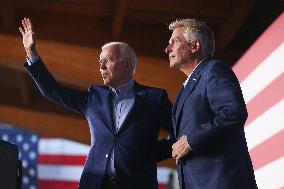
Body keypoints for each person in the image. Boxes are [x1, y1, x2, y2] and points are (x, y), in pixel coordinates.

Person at [19, 17, 173, 189]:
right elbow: (52, 90)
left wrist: (151, 154)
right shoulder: (94, 96)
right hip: (94, 184)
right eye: (100, 63)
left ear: (127, 64)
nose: (101, 67)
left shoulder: (154, 98)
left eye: (107, 61)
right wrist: (32, 53)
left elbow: (180, 130)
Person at [165, 18, 258, 189]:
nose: (167, 48)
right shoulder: (187, 86)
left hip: (221, 182)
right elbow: (181, 137)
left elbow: (233, 112)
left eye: (174, 41)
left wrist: (191, 141)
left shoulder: (214, 69)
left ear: (195, 46)